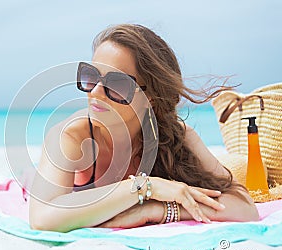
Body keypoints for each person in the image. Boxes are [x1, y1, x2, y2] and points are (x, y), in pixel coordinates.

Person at [29, 24, 259, 232]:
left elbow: (245, 207)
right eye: (91, 77)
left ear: (151, 97)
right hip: (45, 178)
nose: (96, 92)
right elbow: (41, 217)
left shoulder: (178, 137)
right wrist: (145, 187)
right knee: (29, 179)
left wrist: (156, 210)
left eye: (117, 84)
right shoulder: (71, 136)